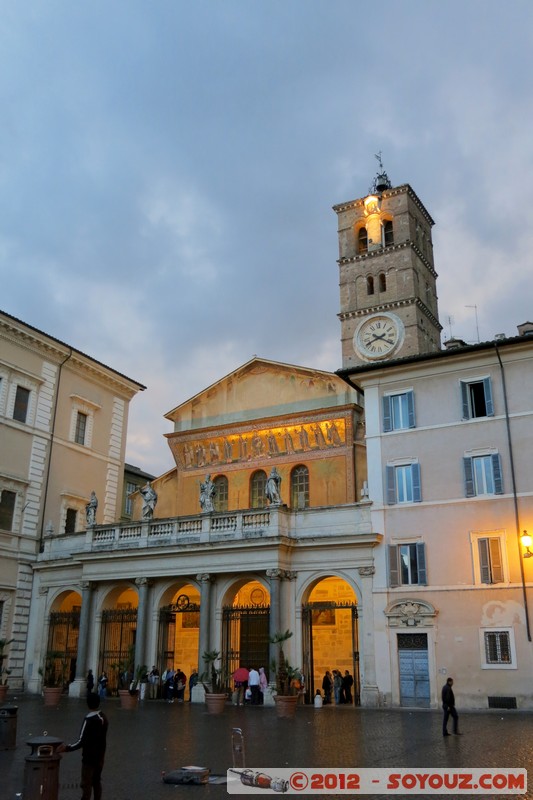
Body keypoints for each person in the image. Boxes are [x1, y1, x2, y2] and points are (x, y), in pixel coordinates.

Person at [58, 692, 108, 800]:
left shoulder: (88, 720)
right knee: (96, 781)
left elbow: (81, 741)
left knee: (86, 783)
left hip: (89, 758)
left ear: (88, 704)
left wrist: (67, 748)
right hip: (100, 756)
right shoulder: (103, 718)